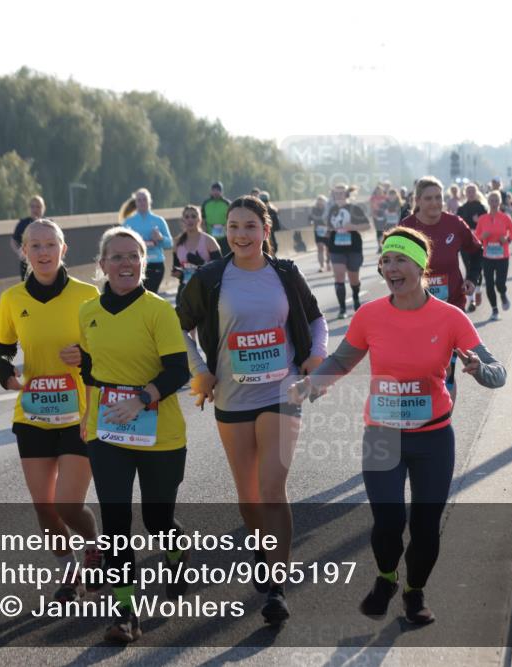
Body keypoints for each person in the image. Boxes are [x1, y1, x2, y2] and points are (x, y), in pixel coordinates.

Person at [287, 226, 506, 625]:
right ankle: (387, 577)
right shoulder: (370, 314)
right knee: (388, 521)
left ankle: (414, 591)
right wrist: (309, 386)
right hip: (382, 434)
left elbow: (497, 369)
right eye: (385, 260)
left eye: (400, 259)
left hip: (433, 438)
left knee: (425, 528)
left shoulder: (449, 317)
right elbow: (341, 361)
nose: (391, 267)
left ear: (420, 266)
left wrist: (479, 370)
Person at [177, 196, 327, 625]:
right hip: (231, 397)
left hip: (282, 392)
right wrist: (200, 371)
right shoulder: (209, 277)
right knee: (249, 496)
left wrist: (316, 356)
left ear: (266, 229)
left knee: (272, 486)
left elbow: (316, 320)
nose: (241, 235)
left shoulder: (284, 273)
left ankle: (277, 586)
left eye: (250, 226)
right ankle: (262, 547)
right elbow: (178, 327)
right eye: (233, 227)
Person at [78, 226, 192, 643]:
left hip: (160, 432)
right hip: (108, 432)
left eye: (134, 256)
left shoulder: (159, 311)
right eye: (117, 257)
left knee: (157, 519)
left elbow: (179, 369)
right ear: (102, 264)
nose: (126, 263)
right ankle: (125, 612)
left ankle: (175, 552)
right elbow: (92, 371)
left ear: (144, 263)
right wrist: (88, 407)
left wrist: (142, 399)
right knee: (116, 521)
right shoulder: (87, 311)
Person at [0, 219, 102, 603]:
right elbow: (4, 348)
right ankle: (70, 570)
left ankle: (93, 546)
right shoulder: (12, 299)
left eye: (50, 245)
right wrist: (6, 374)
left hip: (79, 412)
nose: (43, 253)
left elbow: (108, 351)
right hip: (33, 415)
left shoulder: (88, 295)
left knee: (68, 505)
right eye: (34, 246)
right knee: (45, 508)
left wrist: (85, 355)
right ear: (24, 252)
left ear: (63, 249)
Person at [400, 176, 481, 399]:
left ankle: (443, 421)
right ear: (418, 200)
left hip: (451, 306)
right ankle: (424, 416)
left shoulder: (454, 224)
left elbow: (476, 250)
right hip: (415, 309)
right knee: (421, 369)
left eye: (438, 197)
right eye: (428, 198)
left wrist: (473, 278)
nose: (435, 203)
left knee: (448, 369)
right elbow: (387, 265)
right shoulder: (406, 228)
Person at [326, 185, 371, 318]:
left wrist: (354, 227)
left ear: (346, 195)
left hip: (353, 247)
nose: (339, 196)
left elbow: (367, 225)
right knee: (339, 275)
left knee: (353, 278)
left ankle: (356, 299)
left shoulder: (354, 209)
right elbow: (329, 227)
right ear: (333, 196)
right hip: (336, 247)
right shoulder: (332, 210)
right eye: (336, 194)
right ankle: (342, 309)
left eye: (341, 193)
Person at [474, 191, 512, 321]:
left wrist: (507, 240)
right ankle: (494, 310)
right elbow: (477, 237)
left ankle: (503, 294)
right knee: (489, 284)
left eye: (495, 201)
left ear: (499, 202)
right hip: (487, 256)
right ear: (488, 202)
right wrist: (483, 237)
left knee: (500, 282)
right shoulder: (483, 219)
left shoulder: (505, 217)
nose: (493, 203)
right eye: (491, 200)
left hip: (502, 255)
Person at [122, 188, 173, 294]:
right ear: (135, 203)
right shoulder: (128, 222)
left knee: (151, 295)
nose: (142, 202)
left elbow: (170, 243)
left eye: (144, 199)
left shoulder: (159, 220)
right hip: (136, 264)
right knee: (137, 296)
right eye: (139, 200)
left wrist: (160, 238)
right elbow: (121, 244)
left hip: (156, 263)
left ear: (150, 201)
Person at [171, 205, 222, 304]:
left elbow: (219, 268)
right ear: (183, 220)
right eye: (187, 217)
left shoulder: (209, 241)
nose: (190, 220)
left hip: (205, 290)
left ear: (200, 219)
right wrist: (179, 273)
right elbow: (175, 267)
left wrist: (201, 263)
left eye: (194, 216)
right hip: (185, 290)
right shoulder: (177, 242)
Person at [456, 185, 489, 313]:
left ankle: (478, 291)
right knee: (468, 269)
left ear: (476, 193)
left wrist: (479, 221)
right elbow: (457, 226)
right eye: (468, 191)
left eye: (472, 191)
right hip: (465, 243)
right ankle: (472, 300)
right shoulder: (461, 209)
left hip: (478, 242)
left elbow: (487, 224)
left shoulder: (481, 208)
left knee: (477, 268)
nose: (470, 193)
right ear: (465, 193)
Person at [10, 195, 45, 280]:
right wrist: (20, 252)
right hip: (27, 264)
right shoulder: (22, 224)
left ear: (43, 208)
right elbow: (13, 241)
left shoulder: (49, 224)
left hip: (45, 263)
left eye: (38, 206)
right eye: (32, 206)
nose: (35, 209)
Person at [201, 181, 231, 256]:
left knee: (225, 258)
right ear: (211, 191)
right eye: (214, 190)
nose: (216, 192)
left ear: (221, 192)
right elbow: (203, 220)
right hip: (210, 237)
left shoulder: (227, 203)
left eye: (218, 190)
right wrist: (204, 234)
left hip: (225, 238)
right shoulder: (206, 203)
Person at [308, 195, 330, 272]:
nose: (320, 203)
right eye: (319, 201)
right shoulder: (314, 209)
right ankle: (322, 266)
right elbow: (310, 218)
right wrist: (310, 222)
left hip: (328, 230)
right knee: (320, 248)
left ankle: (328, 263)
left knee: (328, 249)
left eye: (322, 201)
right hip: (318, 230)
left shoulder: (328, 209)